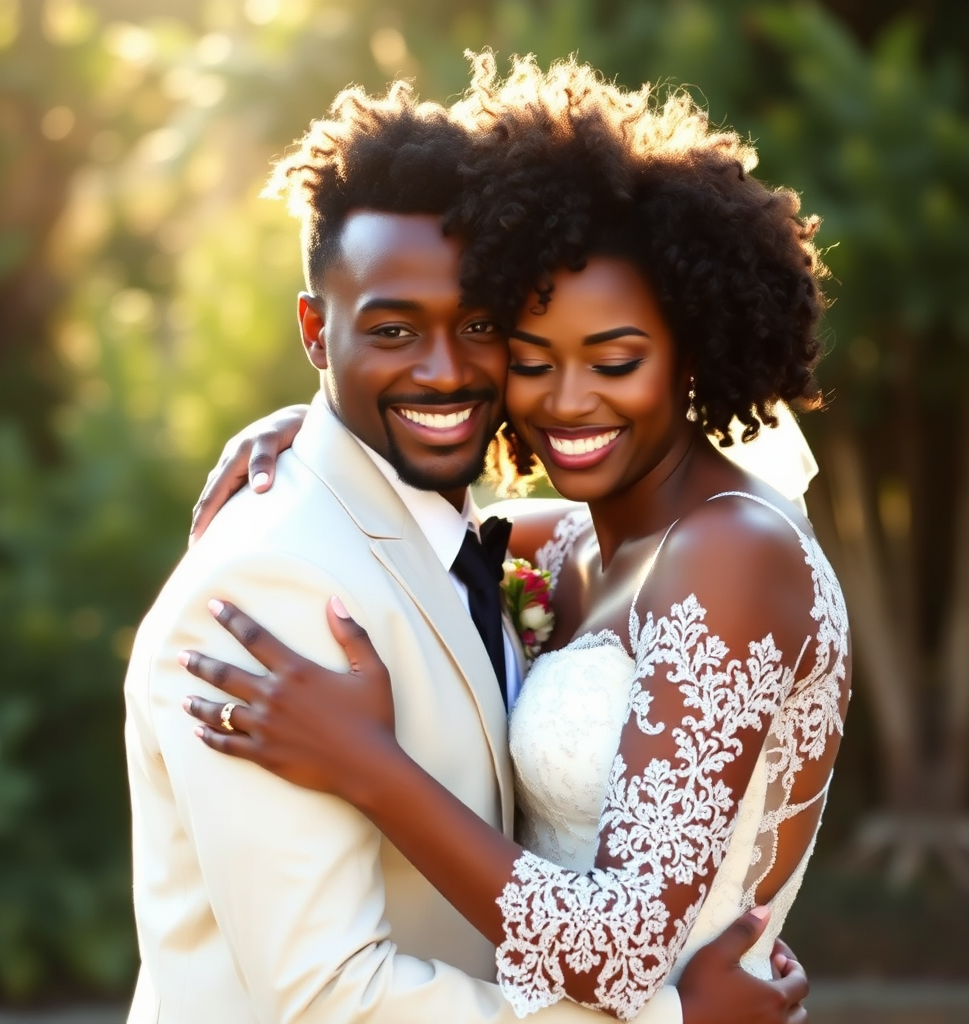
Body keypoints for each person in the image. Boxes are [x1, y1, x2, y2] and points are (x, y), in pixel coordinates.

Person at [124, 67, 810, 1024]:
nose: (447, 371)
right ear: (318, 335)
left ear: (689, 345)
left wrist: (373, 767)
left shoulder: (711, 548)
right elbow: (328, 995)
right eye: (395, 331)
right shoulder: (278, 576)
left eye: (481, 329)